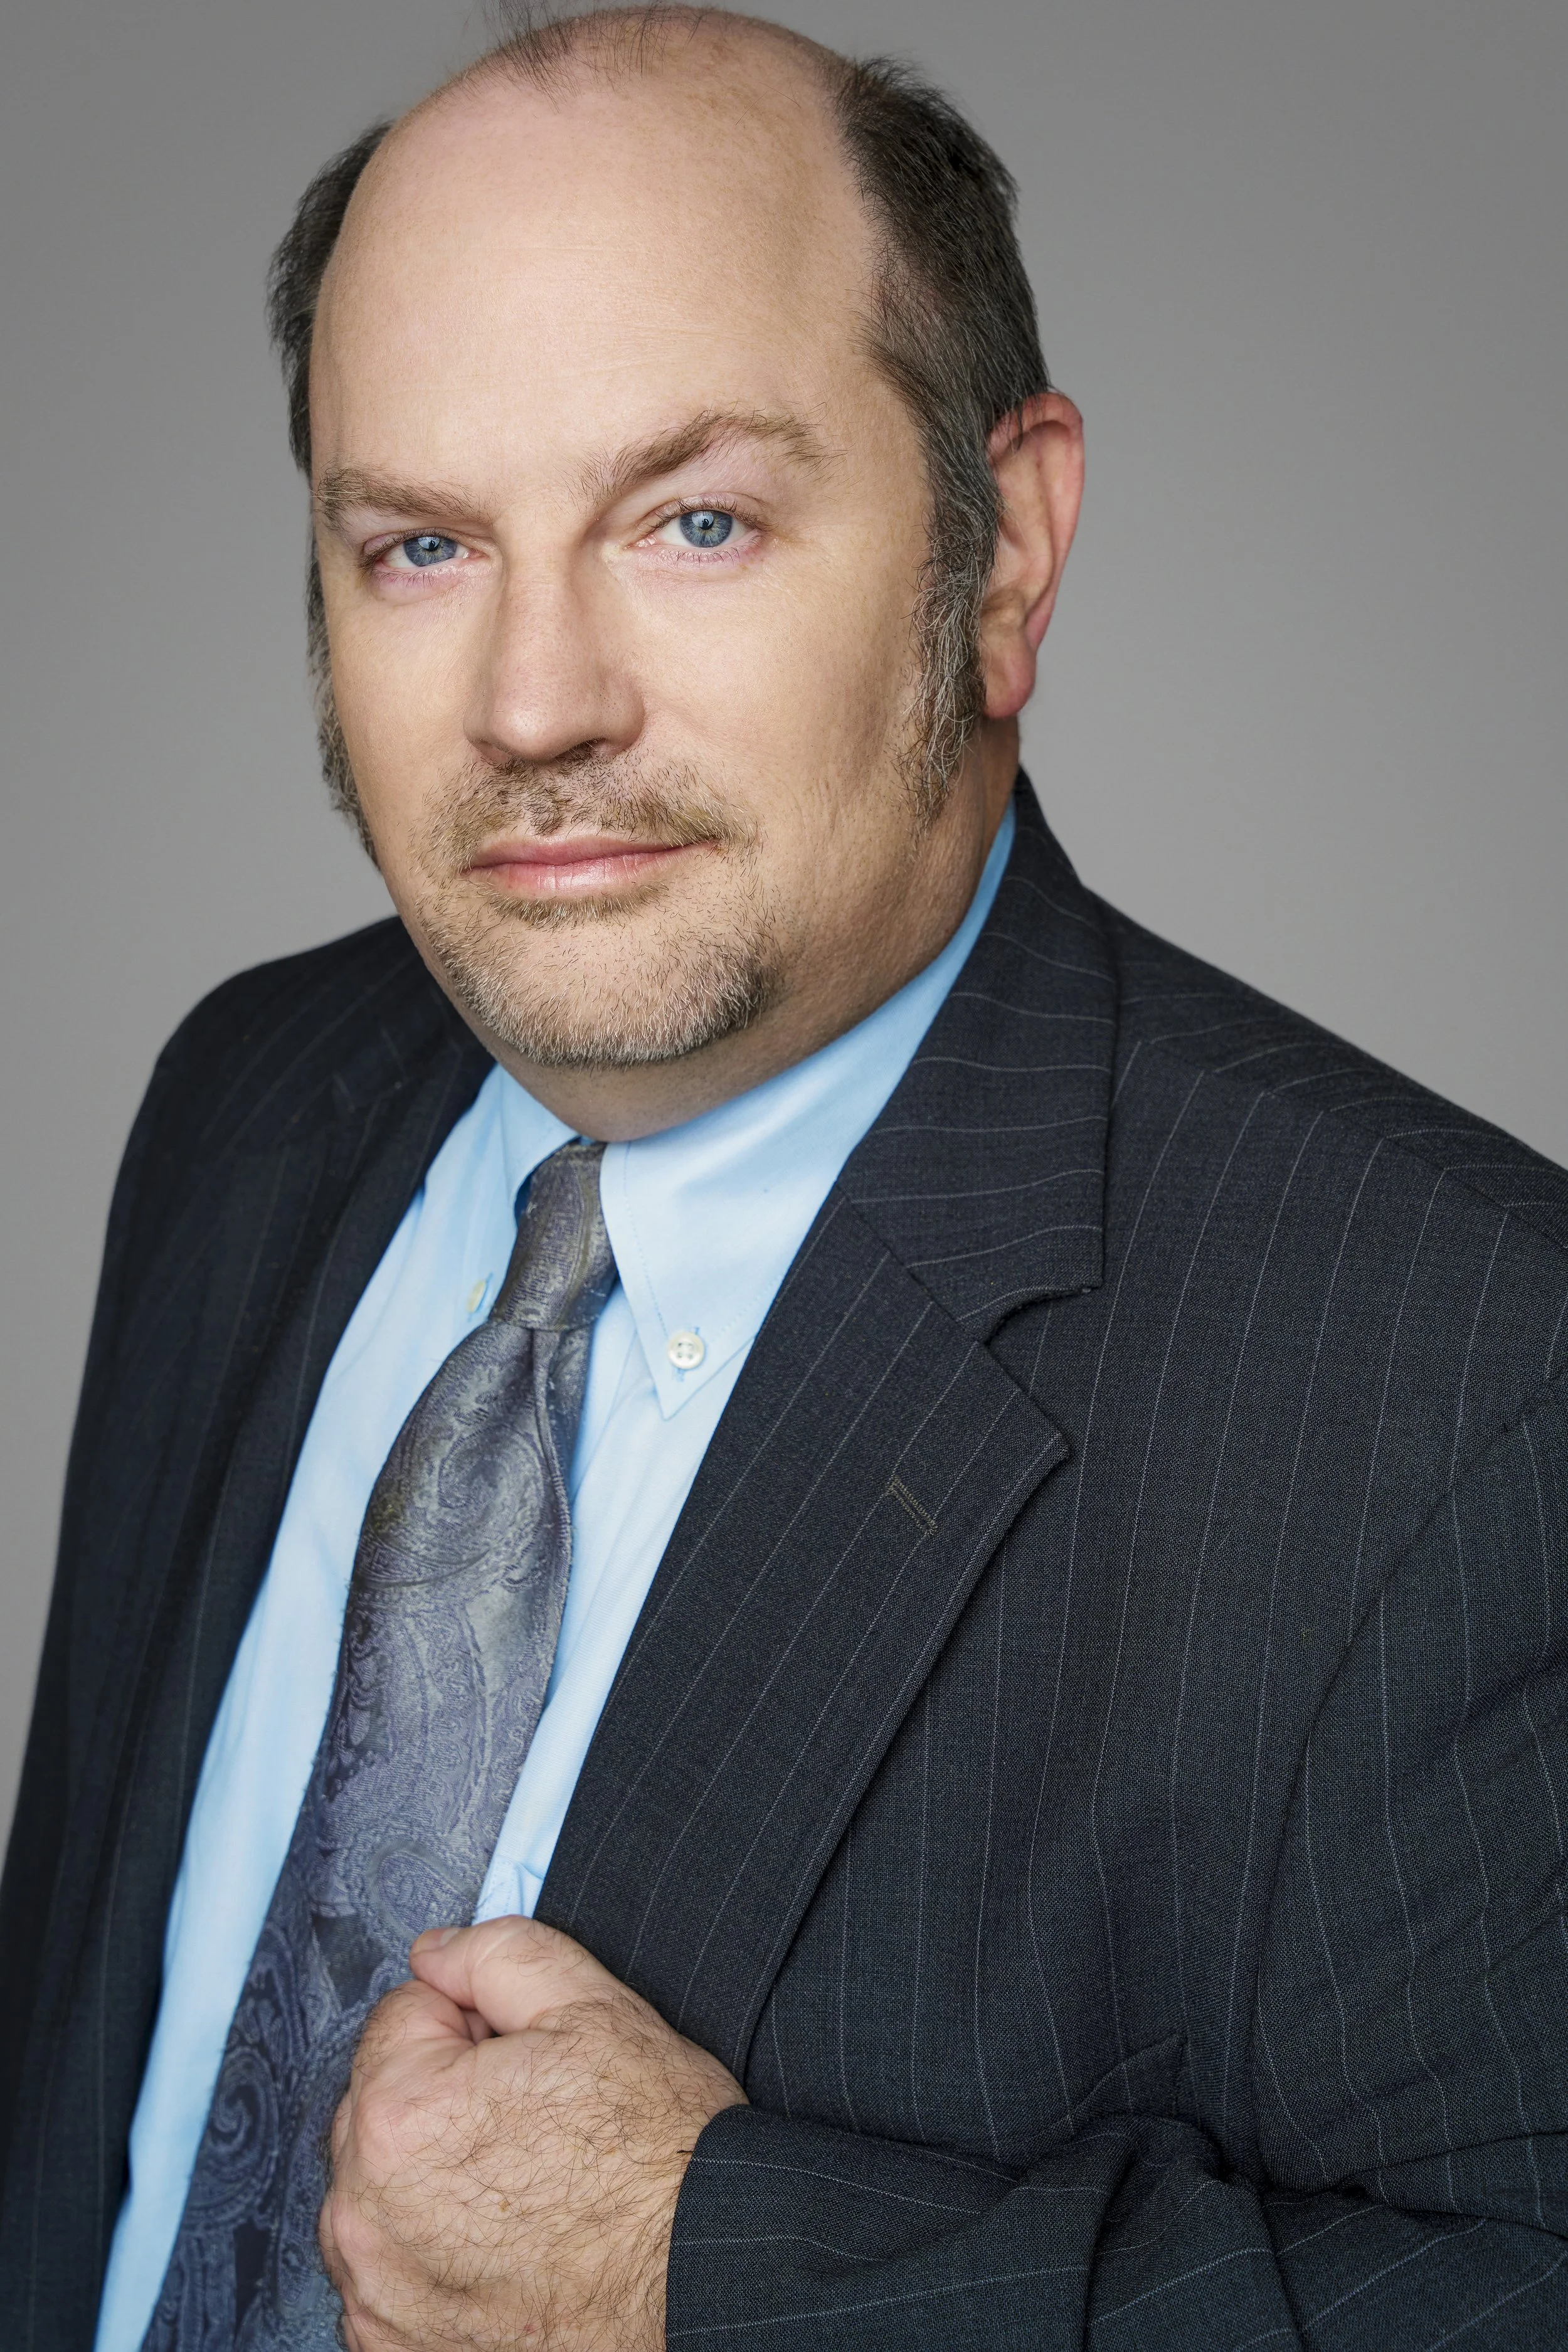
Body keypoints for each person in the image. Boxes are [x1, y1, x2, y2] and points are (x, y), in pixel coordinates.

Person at [3, 5, 1567, 2346]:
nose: (537, 702)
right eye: (420, 542)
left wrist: (709, 2272)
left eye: (695, 520)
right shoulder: (249, 1098)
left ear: (1004, 545)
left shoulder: (1458, 1378)